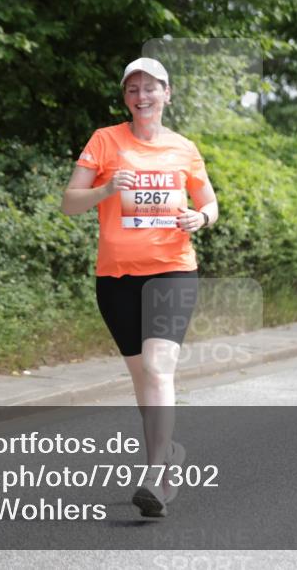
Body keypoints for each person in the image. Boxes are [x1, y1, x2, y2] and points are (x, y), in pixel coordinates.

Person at [61, 58, 218, 516]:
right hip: (115, 277)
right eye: (133, 89)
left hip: (171, 268)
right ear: (125, 97)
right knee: (142, 377)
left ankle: (156, 476)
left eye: (151, 88)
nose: (142, 96)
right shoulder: (105, 141)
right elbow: (70, 203)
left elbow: (209, 201)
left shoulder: (184, 149)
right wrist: (107, 189)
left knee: (157, 366)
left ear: (167, 94)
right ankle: (167, 456)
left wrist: (200, 217)